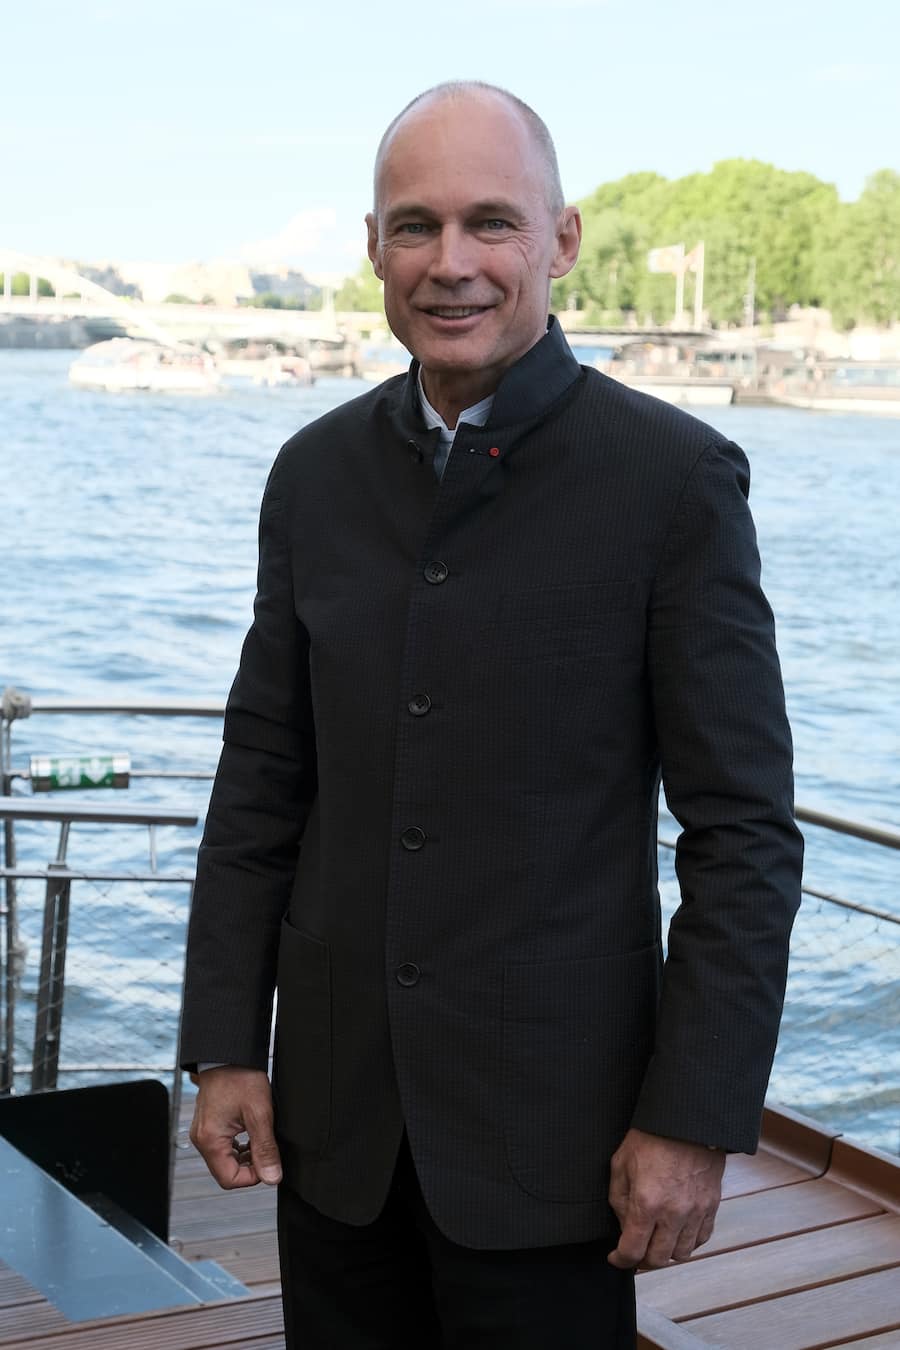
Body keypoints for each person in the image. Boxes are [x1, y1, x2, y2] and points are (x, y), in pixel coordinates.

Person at [180, 81, 803, 1348]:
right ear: (371, 250)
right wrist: (226, 1044)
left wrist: (693, 1117)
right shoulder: (312, 477)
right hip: (338, 1127)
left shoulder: (674, 481)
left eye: (490, 224)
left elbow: (743, 833)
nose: (450, 263)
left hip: (556, 1141)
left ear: (561, 242)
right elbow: (263, 779)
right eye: (415, 227)